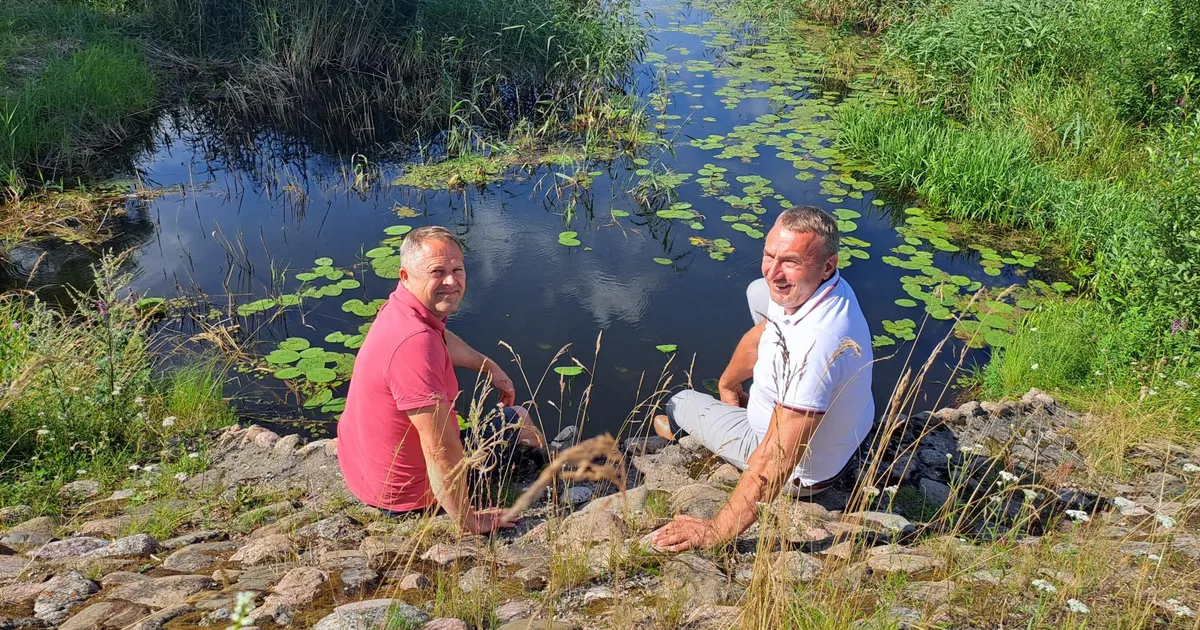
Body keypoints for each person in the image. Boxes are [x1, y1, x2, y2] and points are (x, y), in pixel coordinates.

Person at [651, 206, 874, 552]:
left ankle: (678, 435)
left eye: (790, 262)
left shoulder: (815, 347)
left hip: (805, 473)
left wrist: (716, 531)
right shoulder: (825, 289)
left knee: (679, 401)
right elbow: (762, 334)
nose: (774, 272)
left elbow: (777, 457)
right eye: (769, 255)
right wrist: (727, 384)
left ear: (827, 264)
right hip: (845, 431)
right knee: (759, 291)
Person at [337, 226, 545, 535]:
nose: (451, 281)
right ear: (406, 275)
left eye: (457, 269)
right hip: (406, 495)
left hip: (366, 473)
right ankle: (552, 469)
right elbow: (440, 449)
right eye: (437, 271)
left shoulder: (401, 309)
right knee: (519, 418)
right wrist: (469, 520)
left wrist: (488, 367)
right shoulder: (414, 346)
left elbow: (440, 336)